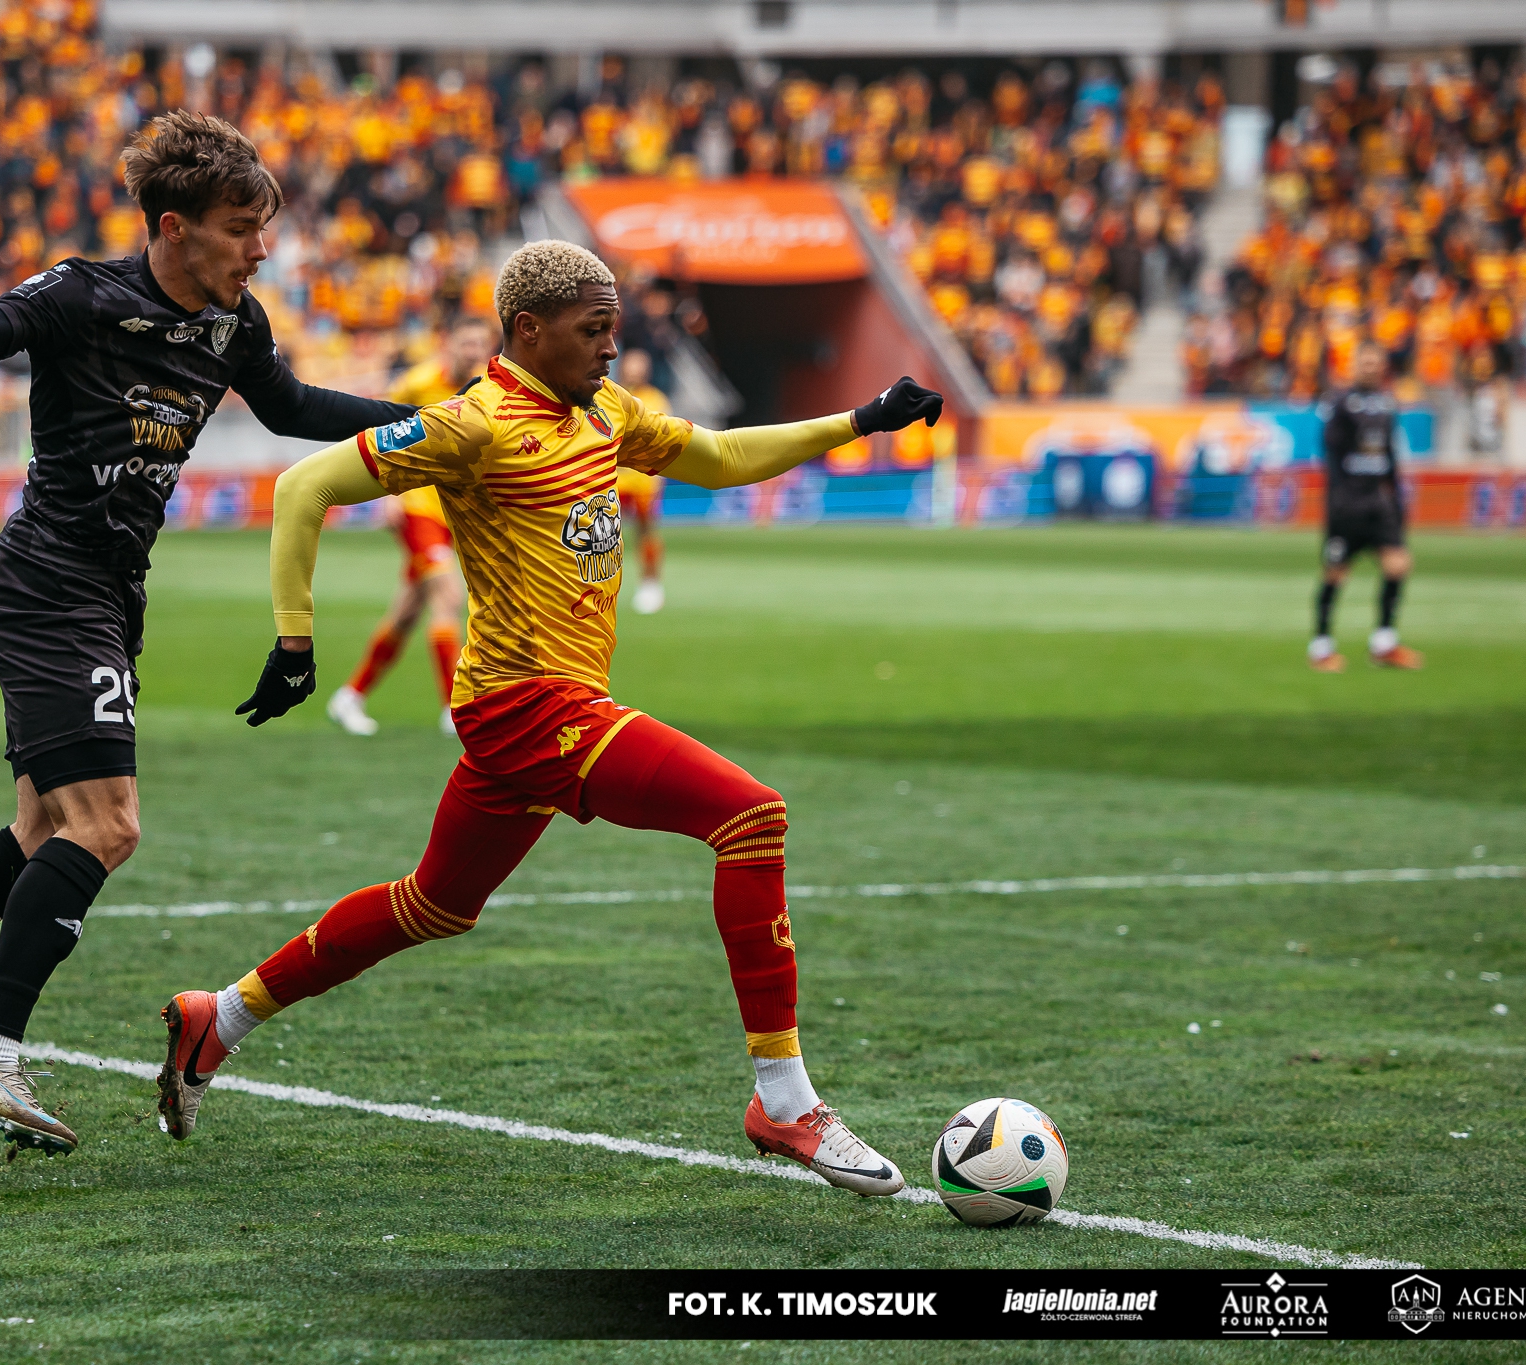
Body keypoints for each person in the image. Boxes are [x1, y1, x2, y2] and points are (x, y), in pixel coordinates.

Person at [152, 241, 945, 1197]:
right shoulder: (473, 426)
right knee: (752, 817)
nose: (612, 347)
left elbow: (720, 457)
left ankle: (221, 1015)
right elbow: (302, 487)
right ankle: (784, 1100)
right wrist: (294, 640)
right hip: (533, 703)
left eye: (614, 328)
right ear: (529, 330)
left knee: (433, 905)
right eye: (594, 330)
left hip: (523, 710)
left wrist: (860, 419)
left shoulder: (604, 410)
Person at [0, 112, 414, 1154]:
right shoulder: (79, 295)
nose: (261, 249)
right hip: (48, 584)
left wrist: (434, 422)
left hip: (111, 593)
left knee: (43, 835)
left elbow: (292, 406)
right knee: (109, 826)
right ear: (173, 227)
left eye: (263, 228)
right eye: (241, 228)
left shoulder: (233, 324)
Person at [326, 315, 497, 737]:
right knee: (448, 595)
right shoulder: (418, 384)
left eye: (480, 344)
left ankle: (350, 695)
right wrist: (389, 493)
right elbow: (379, 427)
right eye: (467, 343)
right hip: (418, 508)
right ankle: (453, 709)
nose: (473, 352)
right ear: (449, 342)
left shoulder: (486, 390)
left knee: (407, 611)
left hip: (454, 513)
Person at [1310, 345, 1422, 672]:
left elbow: (1390, 455)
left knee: (1398, 564)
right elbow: (1331, 455)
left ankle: (1384, 643)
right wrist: (1336, 501)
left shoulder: (1387, 403)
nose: (1371, 367)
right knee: (1335, 573)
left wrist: (1396, 500)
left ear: (1383, 367)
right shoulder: (1340, 403)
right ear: (1355, 365)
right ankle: (1321, 646)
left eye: (1376, 363)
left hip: (1378, 501)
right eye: (1365, 362)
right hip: (1348, 503)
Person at [614, 348, 670, 614]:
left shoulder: (655, 399)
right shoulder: (610, 394)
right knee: (603, 534)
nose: (634, 371)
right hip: (613, 478)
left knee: (646, 531)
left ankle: (650, 584)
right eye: (630, 365)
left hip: (643, 479)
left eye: (639, 366)